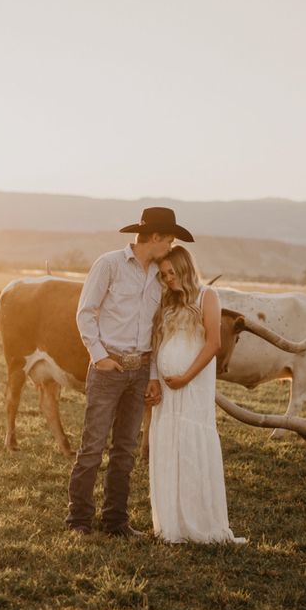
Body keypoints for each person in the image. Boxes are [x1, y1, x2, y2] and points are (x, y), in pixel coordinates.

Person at [66, 207, 195, 537]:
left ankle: (115, 522)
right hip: (109, 367)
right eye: (168, 240)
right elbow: (86, 314)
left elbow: (155, 331)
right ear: (155, 237)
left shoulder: (158, 276)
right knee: (93, 446)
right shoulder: (108, 264)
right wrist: (99, 357)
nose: (170, 248)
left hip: (139, 371)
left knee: (125, 449)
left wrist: (151, 375)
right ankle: (78, 520)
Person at [149, 245, 246, 544]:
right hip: (168, 387)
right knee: (167, 444)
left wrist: (186, 377)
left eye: (172, 273)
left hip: (193, 385)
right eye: (164, 275)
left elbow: (214, 343)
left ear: (186, 269)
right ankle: (171, 523)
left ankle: (198, 520)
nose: (168, 279)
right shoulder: (168, 300)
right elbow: (157, 341)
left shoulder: (208, 296)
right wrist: (156, 377)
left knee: (190, 446)